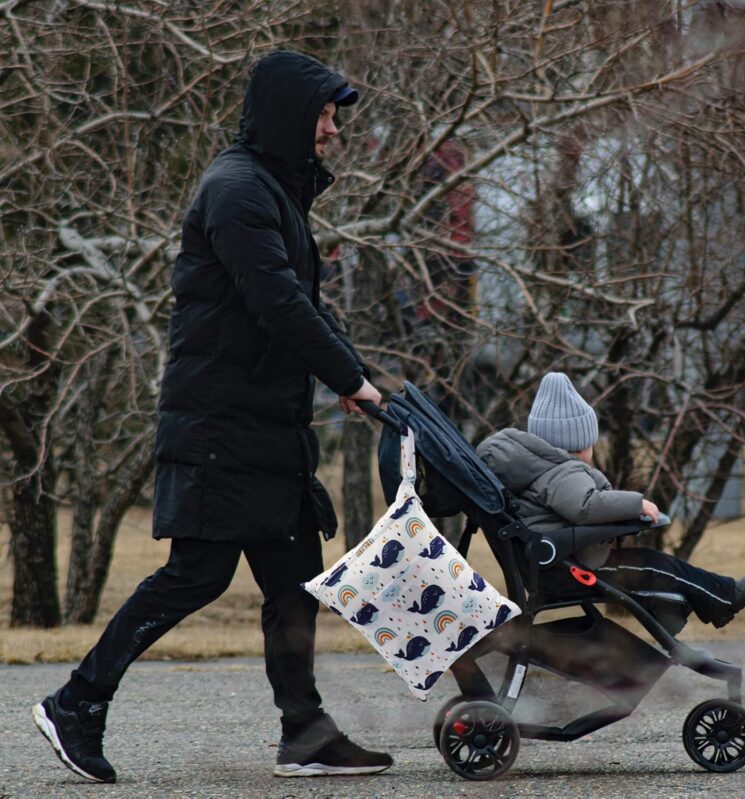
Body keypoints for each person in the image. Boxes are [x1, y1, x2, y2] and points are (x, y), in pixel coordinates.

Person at [32, 51, 392, 783]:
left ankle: (307, 730)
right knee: (197, 571)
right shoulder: (236, 191)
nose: (332, 130)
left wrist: (356, 379)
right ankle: (77, 701)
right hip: (221, 426)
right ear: (292, 115)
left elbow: (302, 305)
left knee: (295, 572)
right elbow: (278, 303)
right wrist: (350, 376)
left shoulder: (273, 192)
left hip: (263, 424)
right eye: (325, 115)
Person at [477, 372, 745, 629]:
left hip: (560, 565)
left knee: (659, 568)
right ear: (577, 444)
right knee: (659, 567)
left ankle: (700, 606)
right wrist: (636, 504)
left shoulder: (541, 470)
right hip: (574, 569)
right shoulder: (563, 472)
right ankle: (725, 597)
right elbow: (586, 506)